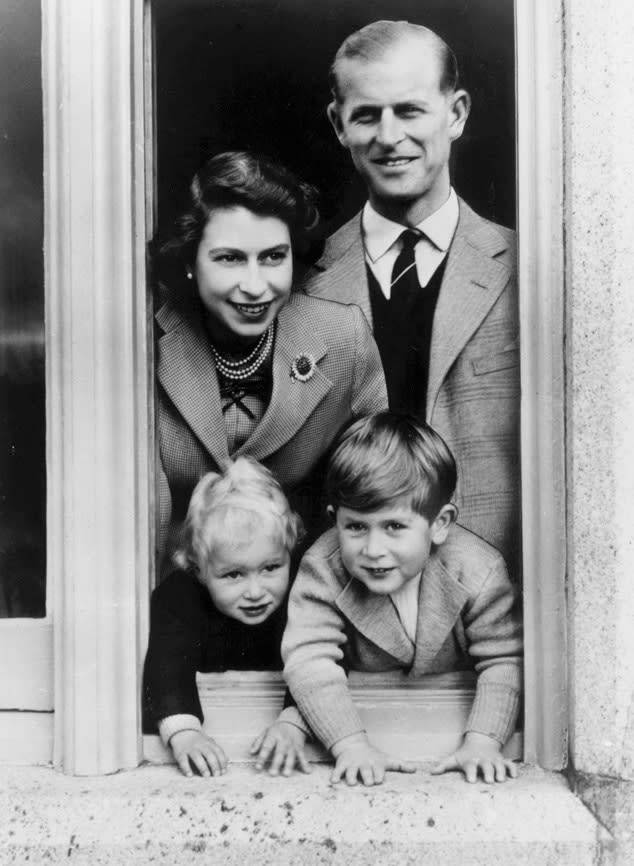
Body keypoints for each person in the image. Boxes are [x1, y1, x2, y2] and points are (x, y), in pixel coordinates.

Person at [300, 21, 520, 575]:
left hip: (492, 621)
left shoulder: (527, 270)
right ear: (338, 125)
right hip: (346, 622)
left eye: (410, 110)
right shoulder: (302, 279)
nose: (389, 135)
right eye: (367, 115)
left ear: (457, 113)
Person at [155, 150, 387, 566]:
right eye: (229, 258)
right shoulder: (146, 342)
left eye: (273, 257)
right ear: (190, 261)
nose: (255, 285)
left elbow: (379, 491)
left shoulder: (343, 339)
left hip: (296, 596)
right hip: (167, 599)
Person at [282, 413, 523, 786]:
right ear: (334, 520)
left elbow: (504, 659)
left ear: (440, 523)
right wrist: (350, 746)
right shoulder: (323, 568)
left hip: (449, 725)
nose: (373, 549)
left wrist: (483, 742)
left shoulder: (478, 569)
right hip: (367, 722)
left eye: (394, 526)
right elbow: (310, 659)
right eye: (356, 527)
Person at [143, 457, 312, 778]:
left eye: (271, 568)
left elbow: (317, 659)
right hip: (219, 733)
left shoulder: (301, 594)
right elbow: (166, 665)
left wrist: (294, 724)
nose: (255, 591)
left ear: (289, 552)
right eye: (234, 574)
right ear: (198, 568)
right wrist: (184, 733)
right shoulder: (180, 598)